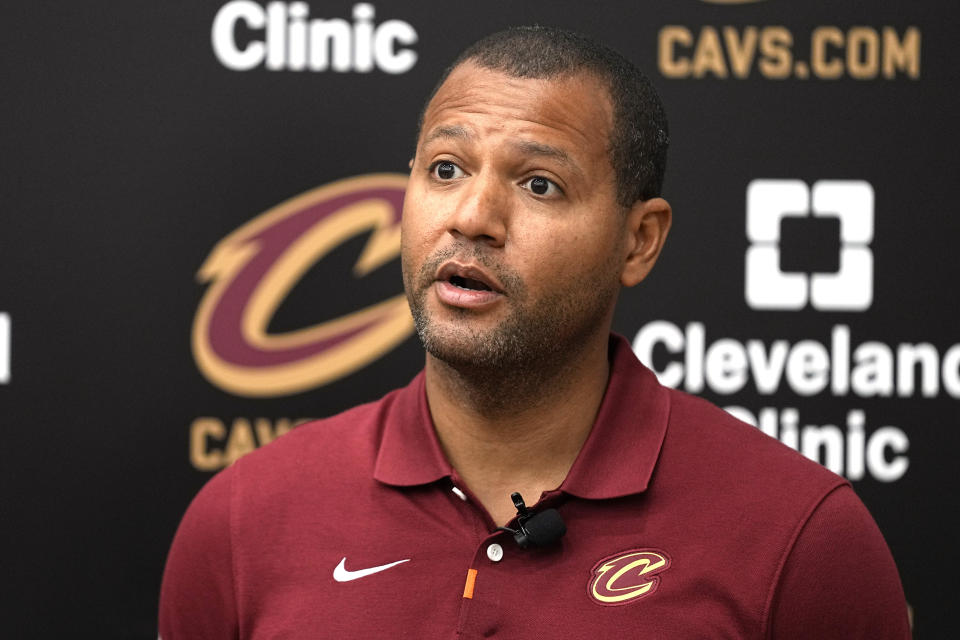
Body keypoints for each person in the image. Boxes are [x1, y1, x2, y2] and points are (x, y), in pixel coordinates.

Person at [159, 26, 910, 638]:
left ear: (639, 241)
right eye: (446, 169)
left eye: (539, 184)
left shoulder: (800, 538)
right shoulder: (242, 519)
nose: (472, 218)